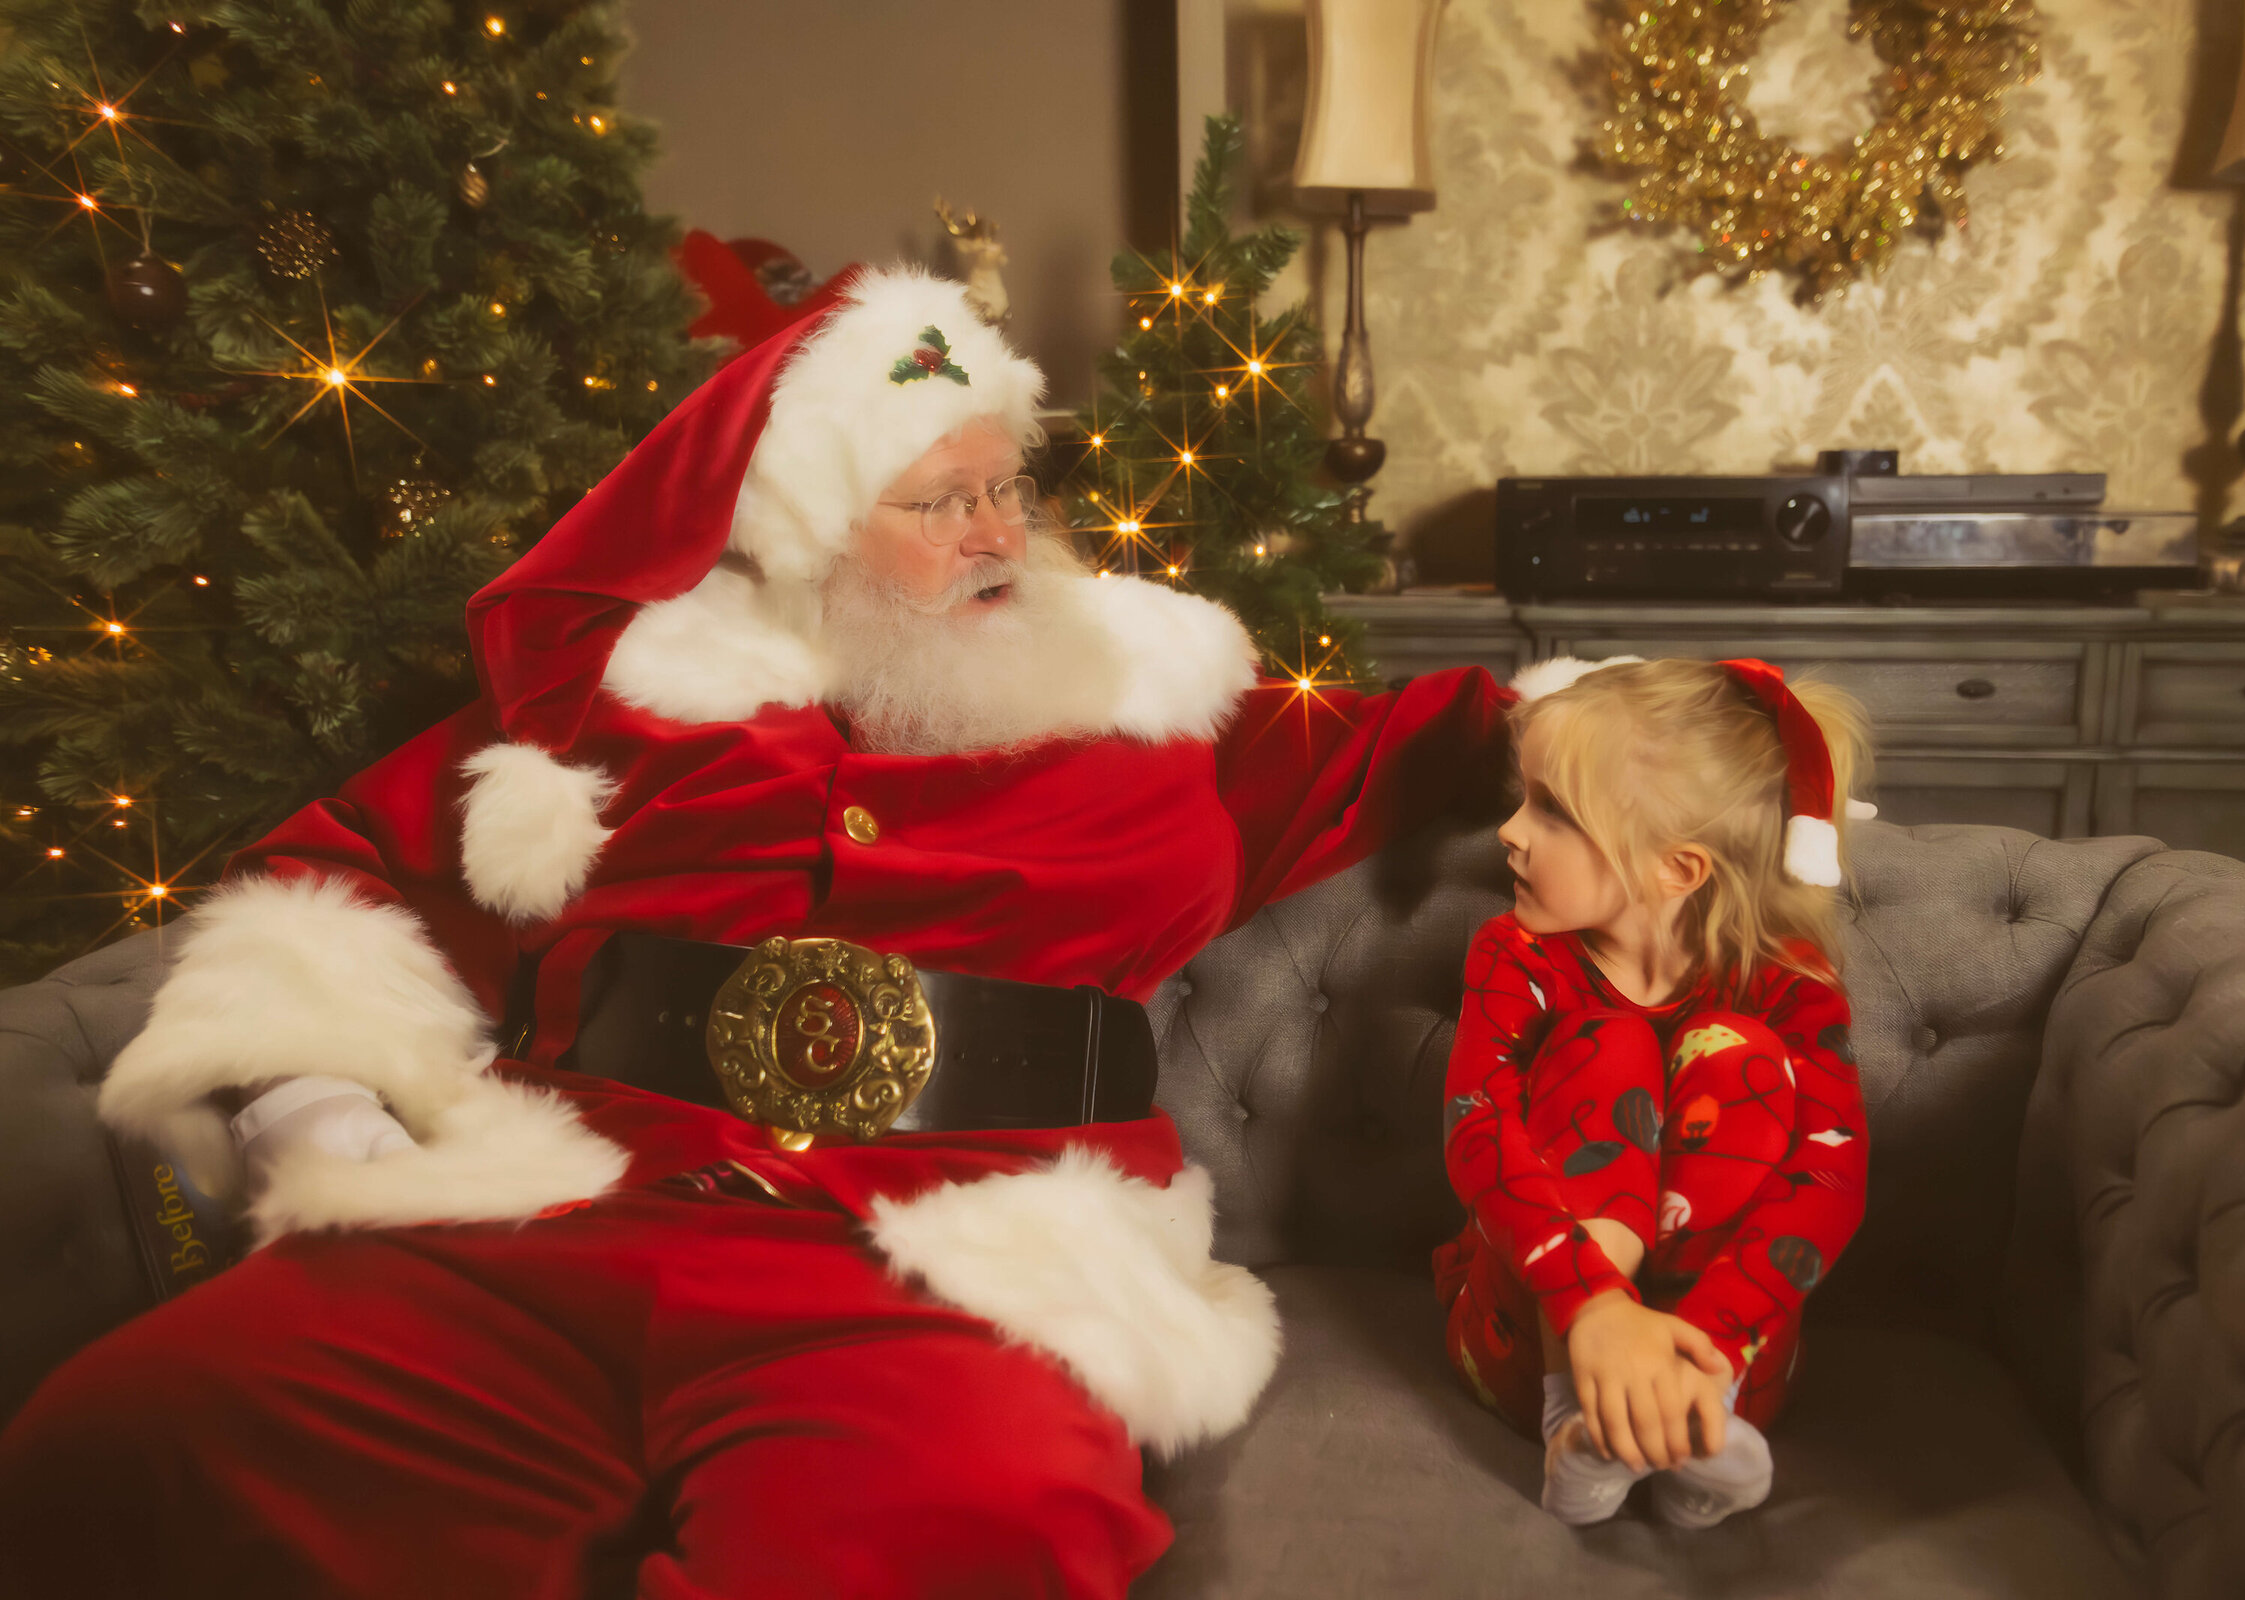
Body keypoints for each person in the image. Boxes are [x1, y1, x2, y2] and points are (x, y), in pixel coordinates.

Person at [0, 268, 1517, 1599]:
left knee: (973, 1518)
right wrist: (317, 1101)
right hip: (565, 1222)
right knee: (127, 1436)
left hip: (952, 1269)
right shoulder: (647, 701)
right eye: (938, 502)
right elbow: (342, 874)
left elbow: (1499, 731)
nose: (997, 533)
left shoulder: (1157, 707)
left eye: (1010, 490)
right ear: (812, 540)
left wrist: (1692, 749)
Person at [1432, 655, 1873, 1528]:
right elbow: (1475, 1124)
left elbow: (1831, 1180)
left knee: (1734, 1050)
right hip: (1537, 1337)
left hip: (1726, 1370)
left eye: (1553, 812)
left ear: (1678, 870)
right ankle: (1578, 1418)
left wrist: (1699, 1351)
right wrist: (1592, 1305)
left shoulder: (1789, 984)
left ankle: (1683, 1418)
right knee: (1610, 1040)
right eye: (1523, 798)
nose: (1511, 833)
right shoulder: (1516, 957)